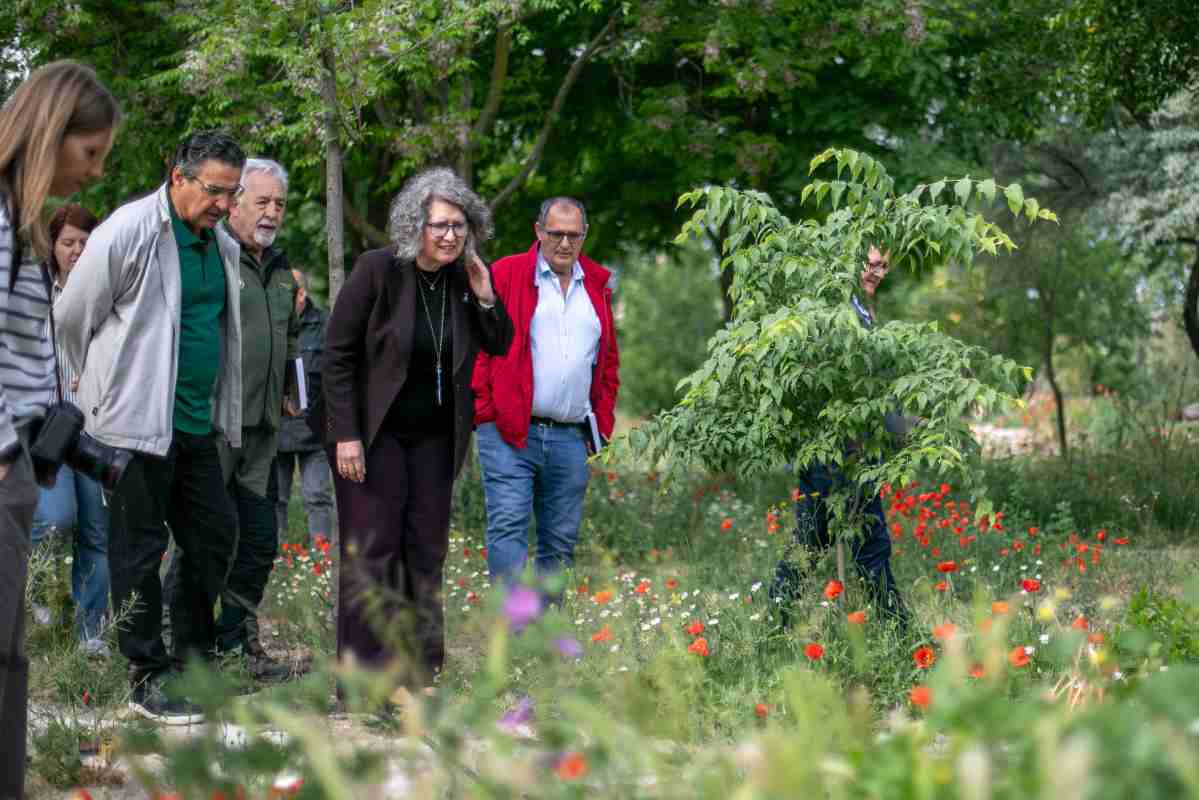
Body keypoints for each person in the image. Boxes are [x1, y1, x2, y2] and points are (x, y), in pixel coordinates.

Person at [58, 130, 245, 725]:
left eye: (232, 193)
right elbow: (70, 319)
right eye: (214, 191)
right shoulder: (129, 230)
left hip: (194, 423)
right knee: (138, 550)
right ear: (178, 177)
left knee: (215, 535)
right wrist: (84, 399)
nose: (223, 204)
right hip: (131, 424)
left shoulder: (223, 246)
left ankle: (191, 662)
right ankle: (146, 675)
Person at [321, 167, 512, 693]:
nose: (450, 235)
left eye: (459, 225)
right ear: (414, 226)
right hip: (373, 438)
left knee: (425, 552)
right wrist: (346, 434)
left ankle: (418, 673)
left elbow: (499, 343)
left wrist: (485, 293)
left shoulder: (464, 280)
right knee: (373, 553)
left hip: (434, 441)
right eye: (439, 225)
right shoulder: (377, 271)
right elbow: (336, 357)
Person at [0, 60, 120, 800]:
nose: (96, 172)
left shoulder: (23, 227)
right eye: (91, 153)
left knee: (10, 662)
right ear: (53, 133)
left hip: (18, 465)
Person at [471, 197, 620, 587]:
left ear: (584, 236)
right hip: (509, 433)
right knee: (509, 529)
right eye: (556, 234)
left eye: (574, 235)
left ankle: (547, 635)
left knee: (560, 541)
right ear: (539, 232)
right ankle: (512, 636)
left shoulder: (598, 287)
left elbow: (608, 366)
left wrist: (601, 427)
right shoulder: (506, 274)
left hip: (571, 437)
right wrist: (486, 412)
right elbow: (480, 347)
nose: (565, 243)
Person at [769, 246, 910, 628]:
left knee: (815, 540)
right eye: (870, 263)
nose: (876, 272)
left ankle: (777, 619)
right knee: (865, 540)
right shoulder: (839, 312)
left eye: (883, 265)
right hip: (834, 454)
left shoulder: (864, 310)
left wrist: (902, 427)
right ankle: (897, 630)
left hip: (855, 452)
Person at [210, 157, 299, 681]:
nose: (272, 212)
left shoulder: (281, 268)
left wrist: (290, 383)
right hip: (217, 427)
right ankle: (187, 650)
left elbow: (287, 337)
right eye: (262, 201)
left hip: (264, 431)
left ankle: (238, 646)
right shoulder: (215, 256)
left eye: (280, 204)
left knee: (260, 539)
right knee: (207, 539)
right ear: (235, 203)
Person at [30, 203, 111, 654]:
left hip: (95, 427)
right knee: (56, 519)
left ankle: (90, 632)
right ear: (53, 246)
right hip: (49, 429)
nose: (77, 251)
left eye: (85, 242)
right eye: (68, 243)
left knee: (96, 530)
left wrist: (95, 372)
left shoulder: (105, 293)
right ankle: (40, 592)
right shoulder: (36, 293)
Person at [275, 267, 334, 543]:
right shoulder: (269, 323)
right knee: (275, 498)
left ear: (302, 295)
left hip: (314, 430)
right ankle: (273, 560)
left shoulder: (325, 325)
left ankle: (320, 563)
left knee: (318, 497)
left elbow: (337, 376)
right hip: (276, 430)